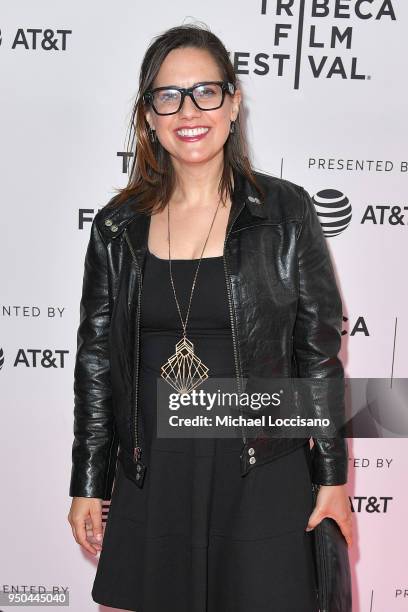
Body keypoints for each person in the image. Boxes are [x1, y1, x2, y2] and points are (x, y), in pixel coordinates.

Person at [67, 22, 353, 612]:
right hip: (153, 472)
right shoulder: (117, 227)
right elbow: (96, 362)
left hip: (261, 470)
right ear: (148, 115)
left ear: (233, 103)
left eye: (206, 91)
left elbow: (317, 353)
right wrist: (88, 482)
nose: (188, 111)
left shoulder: (285, 211)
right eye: (168, 96)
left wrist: (332, 478)